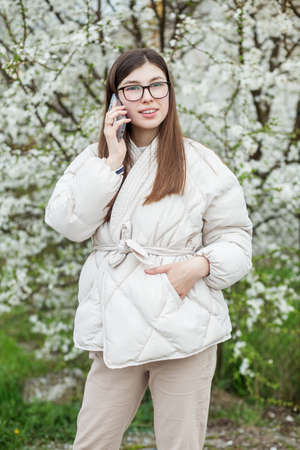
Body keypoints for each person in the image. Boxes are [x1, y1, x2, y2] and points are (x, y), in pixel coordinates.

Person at [45, 48, 252, 450]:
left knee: (181, 444)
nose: (147, 97)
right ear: (115, 99)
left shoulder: (202, 163)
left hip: (184, 319)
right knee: (92, 441)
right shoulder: (93, 161)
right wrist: (113, 161)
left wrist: (199, 266)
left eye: (157, 85)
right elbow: (69, 224)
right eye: (133, 88)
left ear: (170, 92)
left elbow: (237, 239)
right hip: (116, 324)